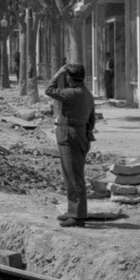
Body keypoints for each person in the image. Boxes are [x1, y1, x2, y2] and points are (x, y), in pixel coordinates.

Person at [45, 63, 96, 228]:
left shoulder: (73, 93)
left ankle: (77, 216)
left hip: (70, 135)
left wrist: (58, 73)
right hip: (79, 134)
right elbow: (92, 119)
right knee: (71, 175)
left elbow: (49, 90)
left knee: (74, 177)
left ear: (69, 78)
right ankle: (73, 211)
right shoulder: (87, 94)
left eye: (66, 76)